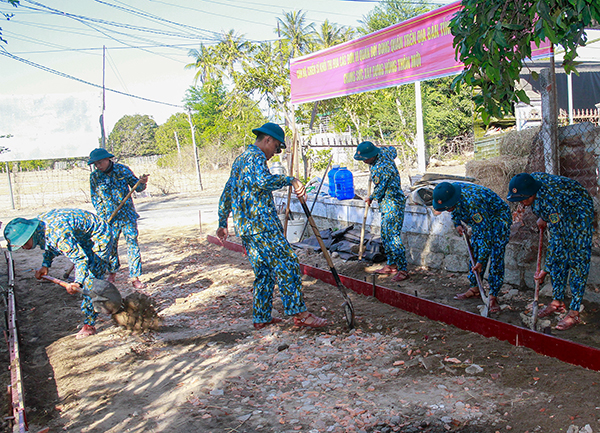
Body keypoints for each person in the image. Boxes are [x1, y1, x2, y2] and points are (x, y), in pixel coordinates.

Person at [217, 122, 327, 330]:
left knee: (264, 272)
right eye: (276, 147)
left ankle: (261, 316)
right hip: (262, 226)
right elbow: (262, 181)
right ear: (267, 140)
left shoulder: (240, 160)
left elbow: (227, 193)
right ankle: (300, 314)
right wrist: (291, 180)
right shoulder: (256, 158)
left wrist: (223, 222)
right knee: (288, 264)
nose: (274, 153)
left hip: (247, 229)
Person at [3, 209, 116, 338]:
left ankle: (89, 325)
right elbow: (49, 245)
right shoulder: (40, 228)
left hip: (99, 235)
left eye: (23, 244)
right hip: (83, 236)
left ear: (29, 235)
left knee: (91, 279)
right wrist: (45, 265)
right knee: (86, 274)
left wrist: (77, 282)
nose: (23, 248)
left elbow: (80, 259)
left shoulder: (57, 233)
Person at [507, 172, 594, 330]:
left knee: (576, 257)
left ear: (532, 192)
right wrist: (544, 217)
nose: (522, 203)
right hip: (560, 208)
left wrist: (545, 270)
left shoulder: (551, 200)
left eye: (524, 199)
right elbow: (547, 213)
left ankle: (574, 312)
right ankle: (557, 301)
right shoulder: (529, 181)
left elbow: (557, 240)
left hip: (578, 210)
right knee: (559, 260)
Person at [432, 182, 511, 313]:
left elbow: (485, 234)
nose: (448, 210)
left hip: (497, 218)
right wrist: (457, 223)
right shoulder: (450, 191)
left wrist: (480, 262)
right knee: (474, 249)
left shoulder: (474, 202)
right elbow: (454, 209)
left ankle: (493, 296)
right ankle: (475, 288)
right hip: (481, 220)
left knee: (496, 254)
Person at [88, 148, 149, 290]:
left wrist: (142, 182)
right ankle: (112, 271)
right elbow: (95, 198)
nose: (98, 166)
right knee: (111, 245)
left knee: (132, 243)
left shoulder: (122, 170)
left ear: (108, 159)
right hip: (109, 218)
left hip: (127, 216)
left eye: (100, 162)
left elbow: (137, 188)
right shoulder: (94, 177)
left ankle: (135, 276)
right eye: (95, 164)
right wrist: (102, 216)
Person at [354, 141, 409, 281]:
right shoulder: (384, 152)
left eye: (366, 159)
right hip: (386, 203)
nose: (365, 161)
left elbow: (380, 189)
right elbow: (393, 150)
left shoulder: (381, 168)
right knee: (385, 235)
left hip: (393, 203)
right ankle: (391, 265)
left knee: (393, 237)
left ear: (372, 156)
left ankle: (403, 269)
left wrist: (371, 197)